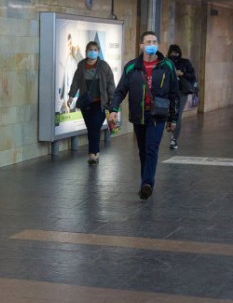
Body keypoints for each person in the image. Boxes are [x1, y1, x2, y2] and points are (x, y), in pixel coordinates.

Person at [108, 31, 179, 200]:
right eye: (148, 42)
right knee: (142, 150)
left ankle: (147, 184)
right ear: (141, 45)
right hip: (139, 115)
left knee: (151, 148)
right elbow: (120, 91)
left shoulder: (167, 66)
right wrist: (113, 109)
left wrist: (173, 118)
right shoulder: (132, 67)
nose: (151, 44)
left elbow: (174, 94)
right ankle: (145, 182)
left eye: (154, 41)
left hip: (158, 115)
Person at [67, 41, 116, 164]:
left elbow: (111, 84)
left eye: (95, 49)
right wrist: (71, 96)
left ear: (98, 52)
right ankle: (96, 151)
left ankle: (92, 153)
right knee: (91, 127)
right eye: (90, 49)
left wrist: (113, 100)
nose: (92, 52)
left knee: (95, 126)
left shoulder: (104, 66)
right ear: (86, 52)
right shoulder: (81, 65)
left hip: (100, 103)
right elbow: (76, 81)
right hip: (86, 102)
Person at [166, 44, 197, 150]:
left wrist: (182, 74)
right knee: (167, 114)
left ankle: (174, 139)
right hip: (167, 92)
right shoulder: (165, 63)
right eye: (173, 52)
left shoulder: (185, 62)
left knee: (177, 115)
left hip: (181, 92)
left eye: (177, 52)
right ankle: (170, 129)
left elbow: (192, 76)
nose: (175, 55)